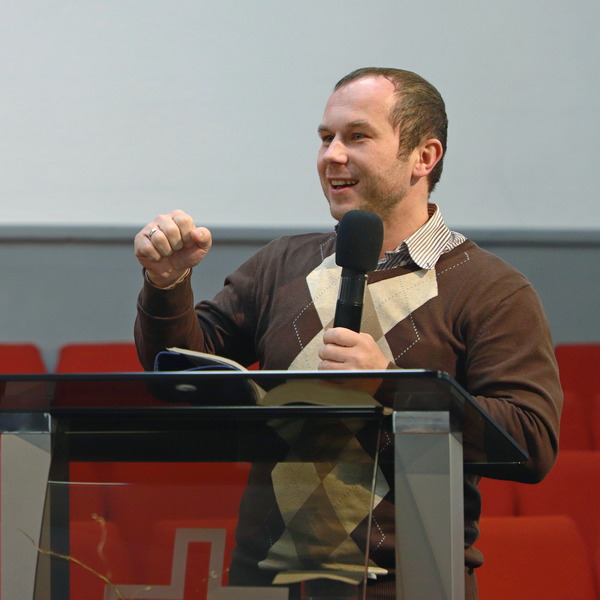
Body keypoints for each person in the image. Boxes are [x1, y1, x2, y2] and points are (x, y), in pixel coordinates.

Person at [134, 67, 562, 599]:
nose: (332, 155)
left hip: (407, 583)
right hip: (265, 582)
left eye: (357, 136)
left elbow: (531, 441)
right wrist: (167, 284)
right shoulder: (282, 264)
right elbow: (177, 370)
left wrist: (392, 387)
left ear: (424, 157)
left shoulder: (490, 289)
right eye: (325, 138)